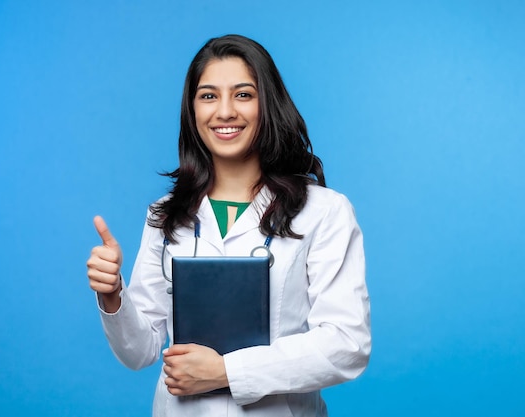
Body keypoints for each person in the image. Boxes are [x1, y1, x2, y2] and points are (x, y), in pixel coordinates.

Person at [86, 34, 371, 416]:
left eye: (243, 94)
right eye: (208, 96)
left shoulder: (323, 210)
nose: (224, 112)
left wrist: (226, 371)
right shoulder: (166, 213)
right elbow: (140, 352)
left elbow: (346, 344)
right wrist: (113, 296)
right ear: (192, 110)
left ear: (268, 104)